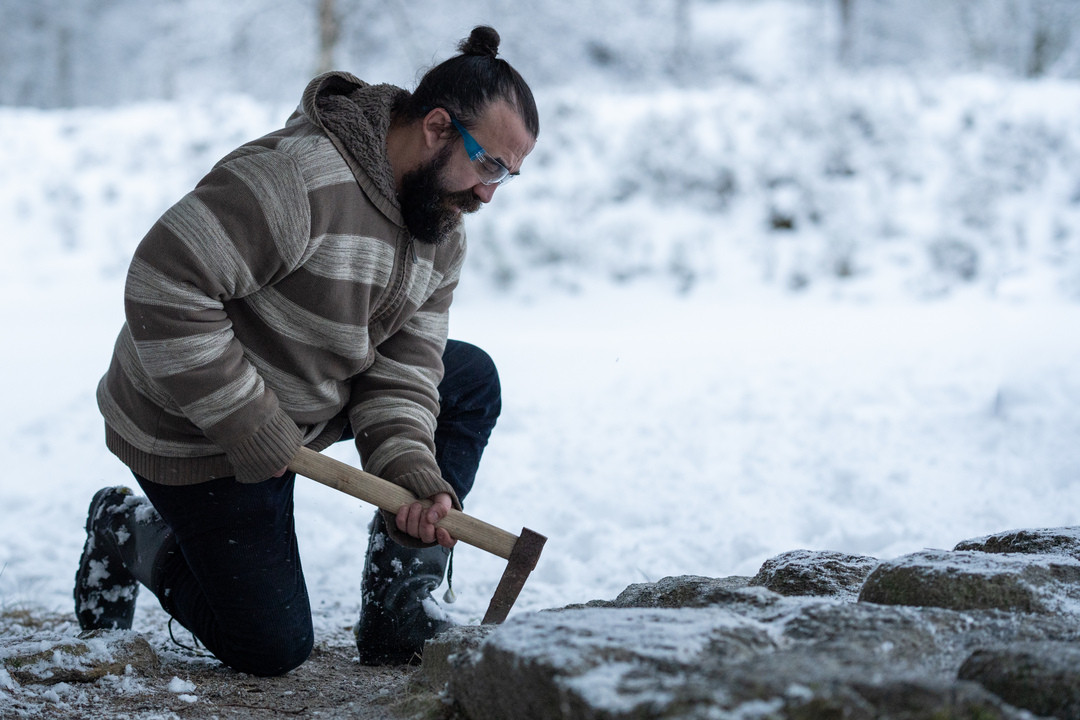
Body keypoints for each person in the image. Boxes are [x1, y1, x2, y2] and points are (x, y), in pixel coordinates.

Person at [73, 25, 539, 676]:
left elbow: (404, 369)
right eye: (489, 163)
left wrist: (409, 476)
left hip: (307, 397)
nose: (490, 191)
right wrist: (246, 421)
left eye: (508, 176)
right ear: (436, 126)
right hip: (195, 424)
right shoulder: (297, 180)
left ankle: (399, 605)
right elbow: (163, 284)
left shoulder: (441, 230)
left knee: (467, 378)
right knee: (271, 648)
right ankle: (127, 529)